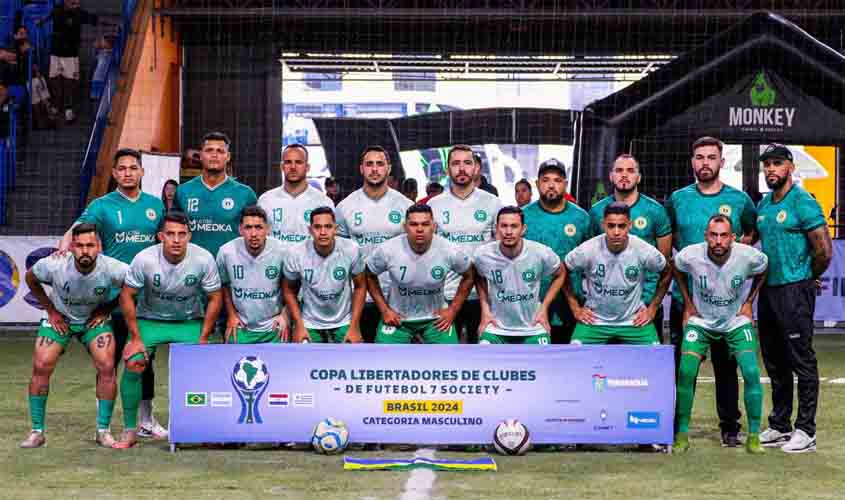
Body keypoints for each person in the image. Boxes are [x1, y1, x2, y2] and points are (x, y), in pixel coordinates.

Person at [60, 148, 166, 440]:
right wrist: (63, 242)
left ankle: (145, 420)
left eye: (134, 167)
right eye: (122, 168)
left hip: (146, 301)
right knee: (108, 361)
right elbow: (79, 228)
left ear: (142, 172)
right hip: (111, 300)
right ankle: (102, 425)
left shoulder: (155, 206)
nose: (128, 172)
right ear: (115, 173)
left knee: (144, 360)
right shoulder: (102, 205)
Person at [665, 136, 758, 447]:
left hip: (725, 305)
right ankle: (677, 427)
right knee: (682, 366)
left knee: (726, 367)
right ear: (692, 162)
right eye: (700, 157)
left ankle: (730, 426)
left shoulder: (740, 199)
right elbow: (670, 236)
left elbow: (750, 230)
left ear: (721, 162)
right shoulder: (677, 198)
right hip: (688, 303)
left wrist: (735, 253)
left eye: (711, 158)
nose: (705, 163)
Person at [114, 212, 222, 449]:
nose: (176, 240)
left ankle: (202, 427)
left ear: (189, 236)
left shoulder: (203, 259)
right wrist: (135, 337)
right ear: (160, 236)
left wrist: (204, 336)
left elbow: (215, 298)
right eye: (170, 234)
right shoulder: (144, 259)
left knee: (206, 366)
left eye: (182, 234)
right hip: (150, 320)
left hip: (188, 321)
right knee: (133, 362)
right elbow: (127, 295)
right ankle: (131, 429)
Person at [20, 224, 128, 449]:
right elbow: (30, 278)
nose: (85, 251)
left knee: (107, 365)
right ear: (71, 247)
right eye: (79, 246)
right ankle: (37, 431)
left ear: (99, 247)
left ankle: (103, 431)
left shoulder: (113, 268)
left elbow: (133, 286)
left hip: (93, 321)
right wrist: (50, 310)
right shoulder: (55, 265)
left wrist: (106, 310)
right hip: (60, 318)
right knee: (42, 364)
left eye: (90, 245)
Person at [756, 143, 832, 453]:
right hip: (769, 290)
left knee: (801, 359)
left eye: (777, 163)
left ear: (790, 167)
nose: (771, 169)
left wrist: (806, 276)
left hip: (795, 290)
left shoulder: (803, 202)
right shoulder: (763, 205)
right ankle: (780, 425)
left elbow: (824, 250)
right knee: (775, 361)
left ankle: (806, 430)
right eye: (767, 164)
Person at [672, 215, 768, 454]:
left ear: (732, 238)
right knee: (685, 371)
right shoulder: (690, 255)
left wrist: (749, 302)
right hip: (701, 322)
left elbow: (765, 268)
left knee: (751, 372)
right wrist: (687, 303)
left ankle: (754, 436)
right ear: (706, 236)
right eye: (713, 235)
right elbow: (676, 268)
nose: (718, 241)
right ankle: (682, 433)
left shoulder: (748, 255)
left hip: (734, 321)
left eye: (723, 235)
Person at [589, 154, 672, 341]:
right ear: (611, 176)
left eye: (630, 171)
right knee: (603, 368)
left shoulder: (656, 211)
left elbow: (664, 264)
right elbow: (589, 260)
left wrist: (652, 306)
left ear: (639, 177)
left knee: (645, 368)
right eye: (619, 171)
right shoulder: (596, 212)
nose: (624, 175)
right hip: (605, 311)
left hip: (644, 309)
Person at [335, 146, 413, 342]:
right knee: (358, 357)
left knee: (391, 360)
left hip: (397, 298)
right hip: (358, 297)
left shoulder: (405, 207)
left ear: (388, 168)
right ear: (361, 168)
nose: (375, 169)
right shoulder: (345, 207)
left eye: (380, 164)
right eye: (369, 164)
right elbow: (340, 254)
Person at [366, 204, 473, 344]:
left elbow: (470, 275)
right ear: (405, 227)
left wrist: (453, 309)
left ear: (434, 227)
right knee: (383, 360)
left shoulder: (450, 250)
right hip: (398, 319)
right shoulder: (388, 249)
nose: (420, 229)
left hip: (435, 319)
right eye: (413, 224)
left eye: (425, 224)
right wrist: (384, 310)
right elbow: (368, 274)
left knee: (450, 359)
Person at [565, 202, 670, 345]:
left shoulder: (643, 250)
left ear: (630, 225)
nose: (616, 232)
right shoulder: (588, 249)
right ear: (603, 225)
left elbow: (668, 270)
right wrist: (575, 308)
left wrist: (652, 309)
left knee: (654, 362)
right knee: (575, 360)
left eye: (621, 226)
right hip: (595, 320)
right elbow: (562, 270)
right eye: (611, 226)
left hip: (633, 321)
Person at [428, 145, 503, 343]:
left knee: (481, 357)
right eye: (455, 163)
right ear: (447, 169)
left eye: (467, 163)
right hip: (443, 296)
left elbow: (501, 251)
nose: (461, 169)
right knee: (446, 359)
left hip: (483, 297)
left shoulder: (494, 204)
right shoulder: (433, 206)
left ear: (476, 168)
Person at [474, 206, 566, 344]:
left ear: (523, 229)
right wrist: (485, 309)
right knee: (484, 359)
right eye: (504, 226)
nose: (508, 232)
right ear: (496, 228)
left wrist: (544, 307)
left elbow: (561, 273)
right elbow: (477, 275)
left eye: (514, 226)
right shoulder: (483, 254)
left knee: (543, 363)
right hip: (496, 327)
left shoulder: (541, 252)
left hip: (533, 327)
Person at [522, 158, 590, 344]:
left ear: (565, 184)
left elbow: (593, 262)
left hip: (572, 307)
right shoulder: (523, 217)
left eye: (557, 180)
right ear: (537, 184)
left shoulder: (581, 218)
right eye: (546, 180)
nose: (551, 185)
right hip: (531, 307)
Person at [283, 207, 367, 343]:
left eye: (328, 226)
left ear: (336, 229)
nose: (323, 232)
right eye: (317, 227)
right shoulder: (296, 253)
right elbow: (288, 290)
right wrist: (298, 324)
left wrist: (355, 326)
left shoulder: (351, 249)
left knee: (353, 359)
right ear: (310, 230)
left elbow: (360, 286)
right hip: (309, 322)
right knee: (302, 360)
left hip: (344, 321)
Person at [173, 131, 257, 257]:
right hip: (193, 267)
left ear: (228, 156)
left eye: (220, 151)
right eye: (209, 150)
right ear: (200, 155)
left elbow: (255, 234)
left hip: (232, 267)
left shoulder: (245, 194)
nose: (214, 155)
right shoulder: (183, 191)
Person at [216, 206, 289, 344]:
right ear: (240, 230)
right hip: (241, 326)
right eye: (248, 227)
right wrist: (231, 315)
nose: (253, 233)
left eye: (258, 227)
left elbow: (292, 288)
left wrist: (285, 315)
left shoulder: (283, 251)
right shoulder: (226, 252)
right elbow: (223, 286)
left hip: (274, 326)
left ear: (267, 229)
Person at [258, 144, 334, 245]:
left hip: (310, 260)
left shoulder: (323, 202)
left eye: (298, 162)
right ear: (282, 166)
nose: (293, 167)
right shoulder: (266, 200)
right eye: (288, 162)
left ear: (307, 167)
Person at [37, 0, 98, 123]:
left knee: (70, 82)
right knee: (54, 80)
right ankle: (56, 105)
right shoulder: (57, 10)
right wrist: (41, 22)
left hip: (71, 54)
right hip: (56, 52)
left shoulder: (79, 13)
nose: (73, 1)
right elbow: (45, 19)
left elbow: (94, 21)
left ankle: (68, 109)